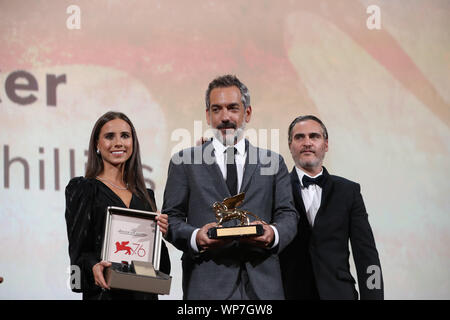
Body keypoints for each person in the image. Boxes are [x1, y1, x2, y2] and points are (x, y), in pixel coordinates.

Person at [162, 74, 298, 300]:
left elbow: (288, 215)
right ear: (207, 115)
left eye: (233, 108)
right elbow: (171, 218)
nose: (225, 117)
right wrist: (196, 236)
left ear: (247, 113)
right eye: (216, 109)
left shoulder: (273, 162)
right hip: (206, 287)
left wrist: (272, 234)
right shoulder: (183, 162)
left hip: (264, 288)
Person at [65, 111, 171, 300]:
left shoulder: (146, 196)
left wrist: (160, 234)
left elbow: (161, 267)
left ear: (133, 143)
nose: (118, 143)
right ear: (97, 144)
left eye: (125, 136)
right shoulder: (84, 189)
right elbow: (78, 255)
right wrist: (93, 268)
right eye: (109, 136)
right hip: (104, 295)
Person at [280, 115, 384, 300]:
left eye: (314, 136)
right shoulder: (276, 190)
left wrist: (374, 298)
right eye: (299, 137)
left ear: (325, 145)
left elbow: (367, 255)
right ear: (290, 146)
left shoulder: (349, 191)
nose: (307, 142)